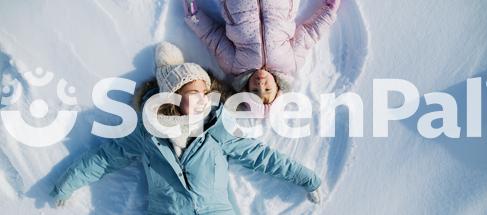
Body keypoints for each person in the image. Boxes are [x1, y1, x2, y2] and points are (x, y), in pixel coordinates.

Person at [49, 42, 322, 214]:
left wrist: (307, 178)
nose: (202, 100)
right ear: (173, 96)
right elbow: (104, 158)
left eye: (205, 93)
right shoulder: (148, 134)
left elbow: (262, 157)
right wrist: (66, 184)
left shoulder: (218, 130)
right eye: (193, 93)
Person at [183, 0, 341, 106]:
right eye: (267, 90)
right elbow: (309, 34)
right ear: (278, 88)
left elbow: (213, 37)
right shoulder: (290, 63)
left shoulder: (234, 66)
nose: (260, 85)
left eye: (254, 90)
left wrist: (194, 17)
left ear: (246, 89)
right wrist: (329, 11)